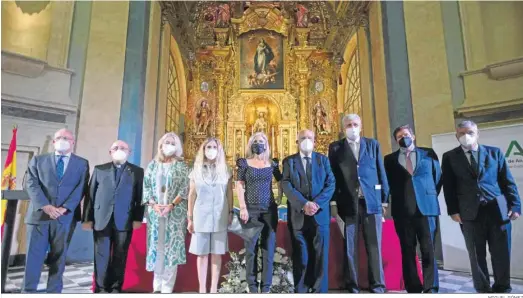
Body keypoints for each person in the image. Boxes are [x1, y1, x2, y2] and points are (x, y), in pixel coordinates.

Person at [442, 120, 521, 293]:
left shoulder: (495, 153)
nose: (466, 136)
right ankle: (483, 289)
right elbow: (449, 186)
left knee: (501, 253)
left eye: (469, 132)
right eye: (461, 133)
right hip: (469, 213)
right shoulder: (449, 157)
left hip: (497, 210)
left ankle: (502, 288)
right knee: (476, 256)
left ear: (478, 134)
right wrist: (453, 210)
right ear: (456, 136)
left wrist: (515, 205)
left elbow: (507, 181)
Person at [22, 129, 89, 293]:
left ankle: (54, 291)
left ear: (73, 142)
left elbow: (81, 188)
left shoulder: (82, 163)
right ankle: (28, 290)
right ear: (53, 142)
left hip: (65, 217)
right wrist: (46, 205)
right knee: (33, 257)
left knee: (59, 257)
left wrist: (65, 208)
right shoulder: (38, 160)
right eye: (59, 137)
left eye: (66, 138)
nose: (62, 140)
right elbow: (30, 184)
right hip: (39, 216)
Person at [328, 114, 389, 293]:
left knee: (374, 245)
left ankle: (377, 284)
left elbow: (380, 172)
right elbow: (333, 176)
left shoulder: (372, 145)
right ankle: (352, 284)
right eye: (348, 125)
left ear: (361, 126)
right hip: (347, 203)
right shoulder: (336, 148)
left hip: (371, 202)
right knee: (350, 247)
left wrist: (384, 200)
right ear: (343, 128)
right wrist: (333, 202)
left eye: (355, 124)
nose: (352, 127)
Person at [384, 125, 441, 293]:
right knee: (407, 250)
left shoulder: (428, 153)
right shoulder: (389, 160)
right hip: (402, 211)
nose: (404, 138)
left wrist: (427, 196)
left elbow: (437, 178)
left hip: (427, 209)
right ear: (396, 141)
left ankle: (431, 287)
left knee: (428, 250)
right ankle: (413, 287)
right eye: (400, 136)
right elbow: (387, 184)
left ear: (413, 136)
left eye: (406, 134)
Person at [82, 140, 145, 293]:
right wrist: (87, 219)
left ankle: (116, 287)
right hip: (101, 219)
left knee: (120, 256)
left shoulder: (137, 171)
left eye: (123, 148)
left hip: (125, 220)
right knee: (101, 256)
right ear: (110, 152)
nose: (119, 150)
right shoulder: (99, 169)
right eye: (115, 147)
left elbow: (140, 197)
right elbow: (90, 195)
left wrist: (138, 218)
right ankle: (101, 288)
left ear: (129, 152)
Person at [282, 129, 335, 293]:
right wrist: (304, 204)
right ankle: (302, 290)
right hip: (299, 216)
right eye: (303, 138)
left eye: (309, 138)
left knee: (321, 257)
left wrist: (316, 204)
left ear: (315, 140)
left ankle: (320, 291)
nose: (306, 140)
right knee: (301, 257)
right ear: (297, 141)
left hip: (320, 216)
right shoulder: (289, 161)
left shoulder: (323, 160)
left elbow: (331, 183)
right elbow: (286, 184)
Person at [142, 132, 190, 293]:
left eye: (172, 143)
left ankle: (167, 288)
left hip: (174, 214)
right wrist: (154, 204)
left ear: (177, 147)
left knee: (171, 250)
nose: (169, 145)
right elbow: (146, 186)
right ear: (161, 145)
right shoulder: (153, 165)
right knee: (157, 248)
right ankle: (156, 287)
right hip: (156, 213)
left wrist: (171, 205)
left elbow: (185, 189)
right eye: (166, 142)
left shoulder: (182, 166)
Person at [236, 132, 283, 293]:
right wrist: (242, 207)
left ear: (266, 144)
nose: (258, 143)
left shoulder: (272, 163)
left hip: (269, 210)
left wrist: (279, 196)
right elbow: (239, 185)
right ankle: (253, 287)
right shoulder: (244, 163)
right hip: (250, 210)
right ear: (250, 144)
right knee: (251, 250)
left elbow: (281, 180)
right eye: (255, 141)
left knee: (268, 249)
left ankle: (266, 288)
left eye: (261, 141)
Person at [187, 138, 234, 293]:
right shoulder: (196, 169)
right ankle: (202, 289)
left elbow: (229, 193)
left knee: (216, 253)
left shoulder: (226, 169)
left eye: (215, 147)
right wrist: (190, 218)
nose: (212, 149)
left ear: (219, 150)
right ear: (204, 149)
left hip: (220, 215)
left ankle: (213, 289)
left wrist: (230, 212)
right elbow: (192, 194)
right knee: (202, 254)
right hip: (201, 215)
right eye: (209, 147)